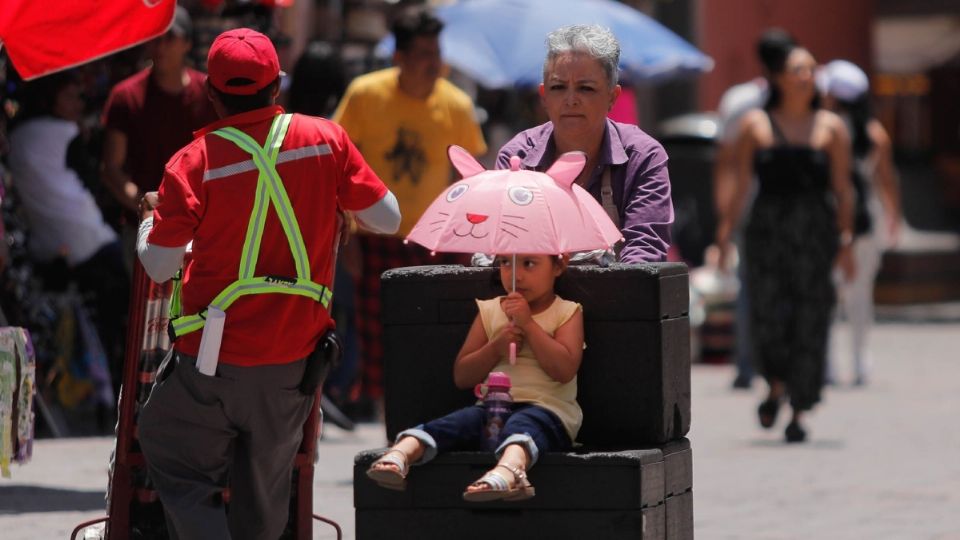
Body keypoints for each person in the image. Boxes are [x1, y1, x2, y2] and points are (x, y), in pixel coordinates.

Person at [136, 28, 400, 538]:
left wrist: (147, 224)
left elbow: (160, 266)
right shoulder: (325, 139)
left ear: (210, 94)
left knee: (169, 448)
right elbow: (388, 218)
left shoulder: (193, 161)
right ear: (277, 86)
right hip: (293, 363)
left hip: (210, 361)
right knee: (266, 488)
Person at [332, 6, 487, 416]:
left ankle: (433, 414)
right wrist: (347, 229)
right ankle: (391, 418)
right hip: (376, 238)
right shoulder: (366, 94)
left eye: (436, 51)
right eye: (422, 53)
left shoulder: (456, 103)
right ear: (399, 56)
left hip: (437, 239)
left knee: (442, 330)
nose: (433, 62)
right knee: (379, 336)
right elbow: (341, 163)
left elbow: (469, 177)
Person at [715, 45, 856, 443]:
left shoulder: (832, 127)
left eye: (812, 69)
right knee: (768, 312)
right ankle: (775, 383)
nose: (806, 76)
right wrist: (725, 233)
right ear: (778, 77)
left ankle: (799, 406)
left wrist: (845, 242)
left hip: (814, 232)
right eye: (797, 69)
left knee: (812, 315)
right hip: (768, 231)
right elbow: (742, 186)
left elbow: (843, 190)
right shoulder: (754, 124)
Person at [365, 253, 583, 502]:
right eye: (505, 262)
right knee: (453, 424)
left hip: (548, 411)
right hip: (492, 407)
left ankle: (510, 471)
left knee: (523, 429)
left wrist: (529, 326)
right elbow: (463, 375)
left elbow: (564, 370)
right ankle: (400, 455)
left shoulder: (567, 312)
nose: (516, 274)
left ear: (558, 266)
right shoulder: (491, 311)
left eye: (529, 264)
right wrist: (496, 347)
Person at [496, 24, 673, 264]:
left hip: (618, 297)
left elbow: (645, 249)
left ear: (612, 97)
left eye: (585, 88)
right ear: (544, 96)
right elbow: (503, 246)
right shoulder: (517, 157)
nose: (571, 100)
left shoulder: (643, 157)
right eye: (558, 87)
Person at [6, 71, 129, 398]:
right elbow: (94, 181)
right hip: (92, 240)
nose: (78, 104)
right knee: (115, 325)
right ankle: (117, 389)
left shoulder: (15, 137)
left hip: (46, 246)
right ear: (52, 98)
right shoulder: (65, 133)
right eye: (72, 96)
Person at [101, 6, 218, 272]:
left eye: (170, 38)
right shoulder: (125, 96)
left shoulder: (209, 96)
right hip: (143, 230)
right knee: (146, 312)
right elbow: (111, 169)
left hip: (199, 231)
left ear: (187, 43)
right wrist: (146, 208)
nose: (161, 46)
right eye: (155, 37)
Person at [714, 28, 797, 390]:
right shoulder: (801, 95)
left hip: (750, 206)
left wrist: (724, 215)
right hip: (791, 207)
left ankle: (747, 365)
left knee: (750, 285)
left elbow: (726, 164)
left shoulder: (738, 101)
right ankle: (784, 363)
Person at [817, 59, 902, 386]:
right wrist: (895, 216)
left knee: (828, 290)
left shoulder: (824, 129)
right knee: (860, 293)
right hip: (868, 218)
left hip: (831, 217)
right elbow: (887, 180)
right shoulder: (875, 133)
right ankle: (861, 360)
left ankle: (828, 363)